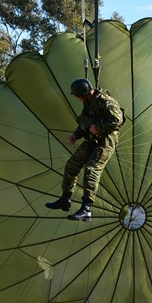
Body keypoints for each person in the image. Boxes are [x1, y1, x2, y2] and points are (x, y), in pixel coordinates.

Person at [45, 78, 124, 222]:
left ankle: (86, 209)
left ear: (83, 93)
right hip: (92, 140)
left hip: (106, 141)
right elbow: (86, 121)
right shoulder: (88, 103)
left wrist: (98, 129)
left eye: (77, 95)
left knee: (91, 170)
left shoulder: (105, 101)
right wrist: (76, 135)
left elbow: (117, 120)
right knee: (71, 165)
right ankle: (65, 199)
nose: (76, 98)